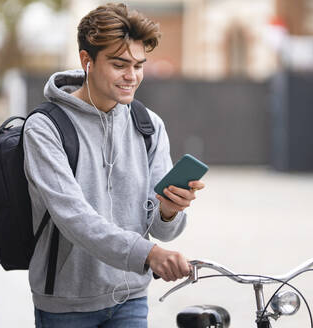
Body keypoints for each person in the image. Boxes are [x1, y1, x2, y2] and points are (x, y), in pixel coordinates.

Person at [23, 3, 205, 327]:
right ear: (86, 61)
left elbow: (162, 230)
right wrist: (149, 255)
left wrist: (169, 210)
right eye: (120, 64)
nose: (131, 76)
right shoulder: (45, 128)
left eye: (138, 65)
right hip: (66, 305)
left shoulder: (148, 125)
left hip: (130, 298)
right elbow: (74, 218)